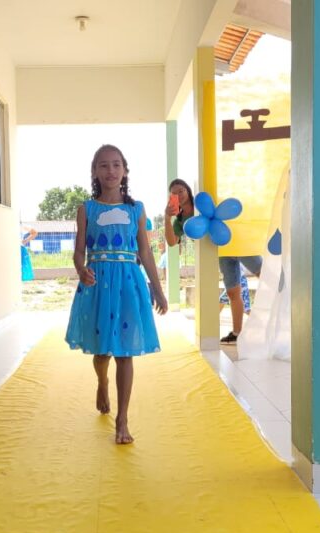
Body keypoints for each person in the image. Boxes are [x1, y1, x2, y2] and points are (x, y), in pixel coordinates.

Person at [65, 144, 168, 444]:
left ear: (124, 170)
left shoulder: (137, 209)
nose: (110, 170)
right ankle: (102, 381)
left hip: (129, 285)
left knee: (125, 352)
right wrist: (81, 269)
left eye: (116, 165)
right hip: (98, 285)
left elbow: (145, 252)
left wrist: (158, 289)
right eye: (103, 165)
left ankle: (122, 419)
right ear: (95, 172)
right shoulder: (86, 209)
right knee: (102, 352)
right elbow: (79, 251)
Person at [164, 178, 260, 344]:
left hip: (237, 243)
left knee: (264, 274)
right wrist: (166, 218)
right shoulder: (180, 220)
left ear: (188, 191)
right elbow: (172, 242)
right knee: (232, 292)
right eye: (174, 193)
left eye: (181, 191)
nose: (179, 195)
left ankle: (284, 312)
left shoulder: (201, 206)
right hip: (220, 253)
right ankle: (237, 333)